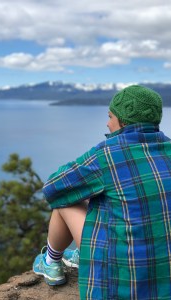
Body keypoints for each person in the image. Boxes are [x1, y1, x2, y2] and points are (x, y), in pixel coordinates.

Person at [33, 85, 171, 299]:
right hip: (164, 276)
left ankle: (51, 262)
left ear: (123, 121)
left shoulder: (106, 154)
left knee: (66, 202)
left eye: (110, 116)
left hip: (122, 282)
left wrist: (87, 182)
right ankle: (76, 255)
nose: (107, 123)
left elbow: (54, 188)